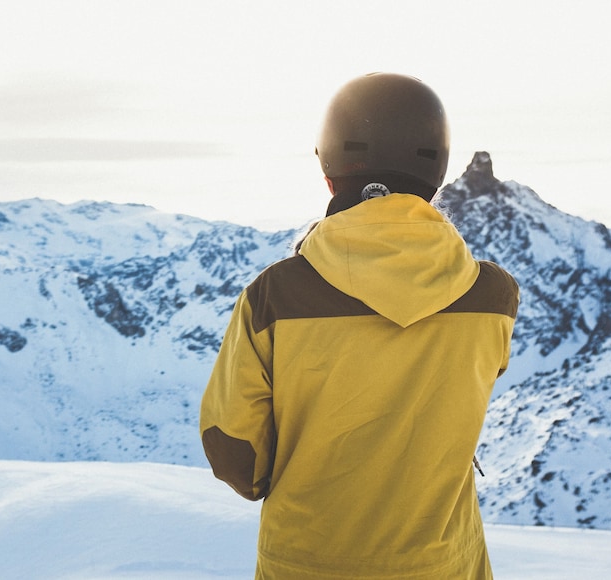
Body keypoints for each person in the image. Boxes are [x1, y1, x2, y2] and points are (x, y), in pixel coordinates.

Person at [200, 72, 519, 579]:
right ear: (436, 176)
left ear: (330, 172)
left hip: (303, 564)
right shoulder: (493, 298)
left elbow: (236, 455)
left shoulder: (274, 298)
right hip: (443, 565)